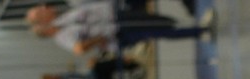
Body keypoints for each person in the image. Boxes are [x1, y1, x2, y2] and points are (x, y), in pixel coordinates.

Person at [27, 2, 215, 56]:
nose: (45, 8)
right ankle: (200, 31)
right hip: (117, 32)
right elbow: (79, 48)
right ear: (43, 27)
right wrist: (100, 38)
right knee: (156, 30)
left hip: (116, 16)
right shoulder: (62, 37)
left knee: (156, 20)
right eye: (40, 13)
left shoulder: (61, 19)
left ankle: (196, 29)